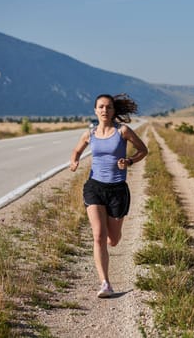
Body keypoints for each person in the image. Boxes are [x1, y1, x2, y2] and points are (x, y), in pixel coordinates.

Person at [70, 93, 148, 298]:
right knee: (98, 236)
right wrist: (74, 161)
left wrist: (129, 161)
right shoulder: (90, 134)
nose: (105, 110)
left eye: (109, 107)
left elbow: (143, 150)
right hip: (94, 187)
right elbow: (76, 151)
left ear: (114, 111)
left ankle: (106, 246)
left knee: (113, 239)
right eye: (101, 107)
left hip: (117, 190)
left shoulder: (122, 131)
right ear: (95, 110)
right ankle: (105, 283)